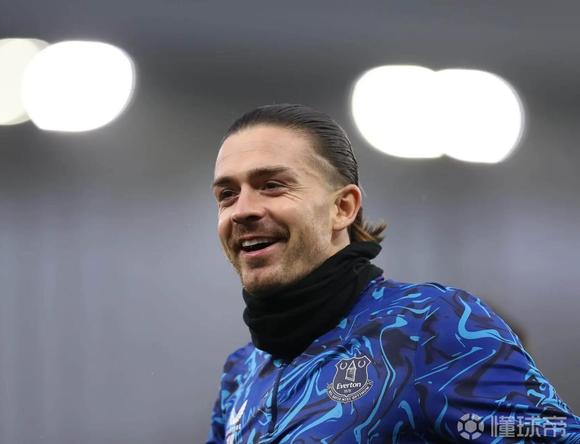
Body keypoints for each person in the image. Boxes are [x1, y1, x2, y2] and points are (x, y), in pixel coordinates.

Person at [205, 103, 580, 443]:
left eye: (272, 186)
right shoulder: (242, 373)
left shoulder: (430, 327)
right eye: (227, 195)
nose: (242, 210)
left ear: (343, 207)